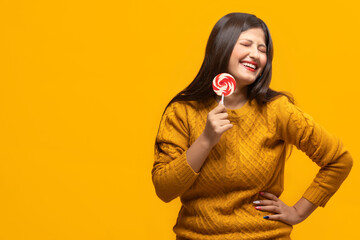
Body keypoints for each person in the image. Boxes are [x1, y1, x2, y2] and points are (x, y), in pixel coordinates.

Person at [151, 12, 353, 239]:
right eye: (246, 44)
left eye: (262, 49)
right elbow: (164, 189)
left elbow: (339, 160)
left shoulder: (278, 110)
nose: (255, 54)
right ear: (221, 48)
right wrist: (206, 140)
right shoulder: (182, 111)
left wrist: (297, 212)